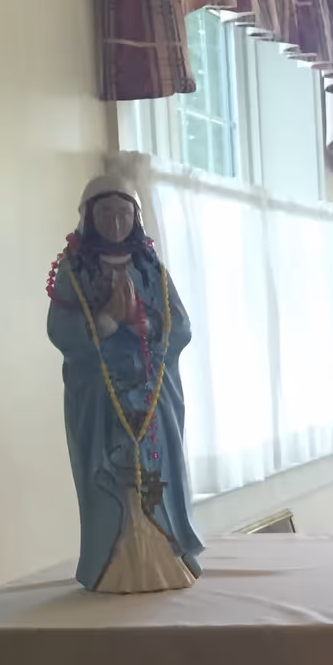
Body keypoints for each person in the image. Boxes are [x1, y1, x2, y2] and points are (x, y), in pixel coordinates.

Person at [46, 176, 203, 592]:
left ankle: (165, 555)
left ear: (136, 217)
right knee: (108, 477)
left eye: (123, 213)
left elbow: (181, 327)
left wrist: (141, 321)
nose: (115, 222)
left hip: (152, 392)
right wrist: (108, 321)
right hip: (101, 398)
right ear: (89, 217)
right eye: (105, 213)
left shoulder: (150, 268)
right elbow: (61, 332)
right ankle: (111, 562)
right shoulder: (73, 271)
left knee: (158, 470)